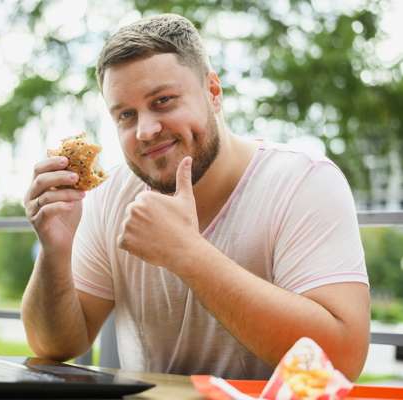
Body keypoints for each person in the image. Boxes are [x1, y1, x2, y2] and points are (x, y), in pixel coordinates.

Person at [21, 13, 370, 380]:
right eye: (126, 115)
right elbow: (54, 346)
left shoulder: (303, 181)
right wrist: (54, 252)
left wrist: (187, 253)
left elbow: (341, 359)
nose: (146, 130)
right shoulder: (112, 197)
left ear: (213, 92)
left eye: (163, 101)